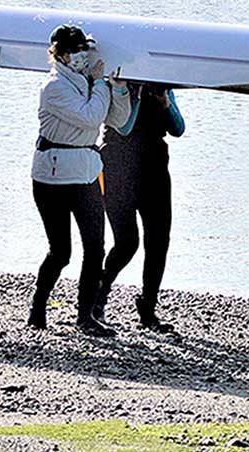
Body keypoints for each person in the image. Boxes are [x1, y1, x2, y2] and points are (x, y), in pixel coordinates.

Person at [29, 24, 130, 337]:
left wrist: (119, 89)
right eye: (75, 50)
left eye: (84, 49)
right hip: (52, 177)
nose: (82, 56)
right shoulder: (54, 87)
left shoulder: (89, 83)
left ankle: (85, 316)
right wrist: (101, 84)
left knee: (95, 248)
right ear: (59, 54)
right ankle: (38, 307)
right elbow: (90, 117)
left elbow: (118, 120)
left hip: (85, 173)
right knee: (60, 253)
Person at [95, 82, 185, 332]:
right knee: (127, 242)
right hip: (118, 165)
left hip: (154, 168)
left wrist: (165, 103)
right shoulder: (114, 85)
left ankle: (148, 308)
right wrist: (134, 92)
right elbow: (123, 127)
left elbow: (178, 128)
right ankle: (99, 295)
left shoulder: (163, 87)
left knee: (158, 241)